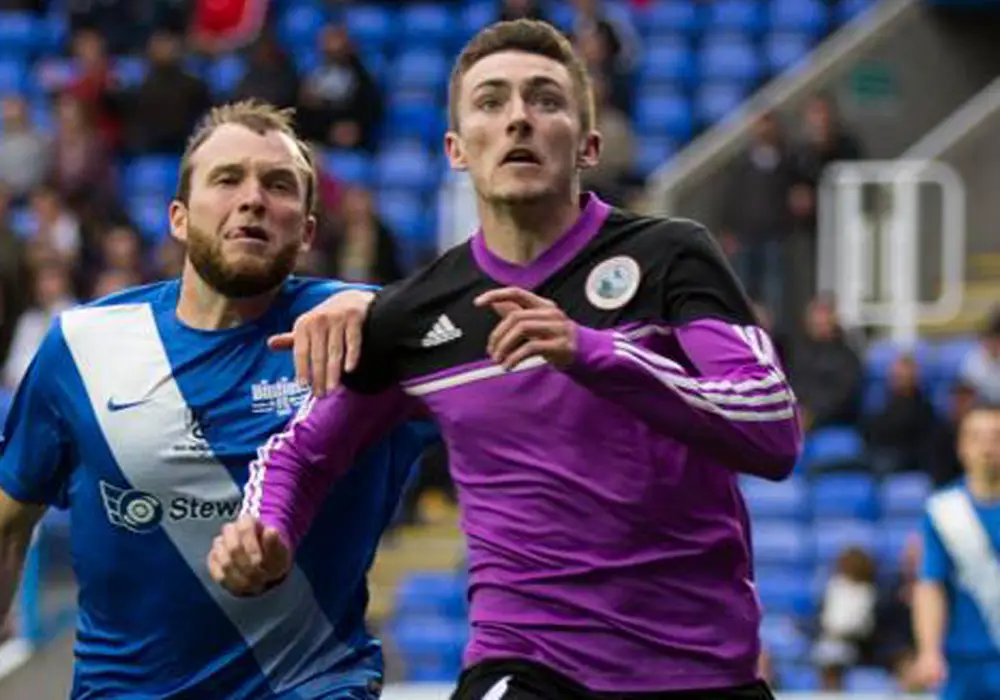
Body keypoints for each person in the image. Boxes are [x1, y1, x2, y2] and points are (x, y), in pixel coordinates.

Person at [212, 20, 801, 699]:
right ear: (457, 149)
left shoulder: (670, 256)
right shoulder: (418, 316)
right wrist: (265, 527)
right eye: (492, 101)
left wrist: (594, 352)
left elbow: (772, 426)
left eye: (545, 99)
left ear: (588, 143)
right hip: (524, 664)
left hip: (696, 670)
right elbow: (301, 453)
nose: (519, 118)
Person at [0, 100, 434, 699]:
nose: (253, 198)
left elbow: (508, 344)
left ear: (307, 230)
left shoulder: (363, 335)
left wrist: (391, 312)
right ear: (178, 217)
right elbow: (7, 522)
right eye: (227, 179)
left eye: (278, 184)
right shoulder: (83, 346)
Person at [913, 403, 1000, 700]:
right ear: (962, 446)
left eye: (996, 437)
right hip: (962, 664)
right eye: (977, 437)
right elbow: (930, 585)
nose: (987, 447)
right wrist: (928, 651)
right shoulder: (943, 511)